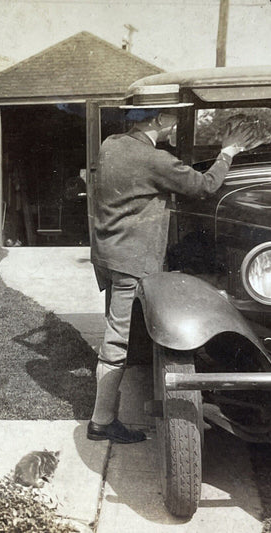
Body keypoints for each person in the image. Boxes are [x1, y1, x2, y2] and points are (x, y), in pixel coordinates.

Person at [88, 85, 257, 444]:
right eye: (172, 117)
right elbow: (206, 185)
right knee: (116, 342)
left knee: (121, 334)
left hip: (110, 253)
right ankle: (101, 422)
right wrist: (228, 151)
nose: (174, 124)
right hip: (133, 259)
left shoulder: (111, 145)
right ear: (160, 119)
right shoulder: (156, 160)